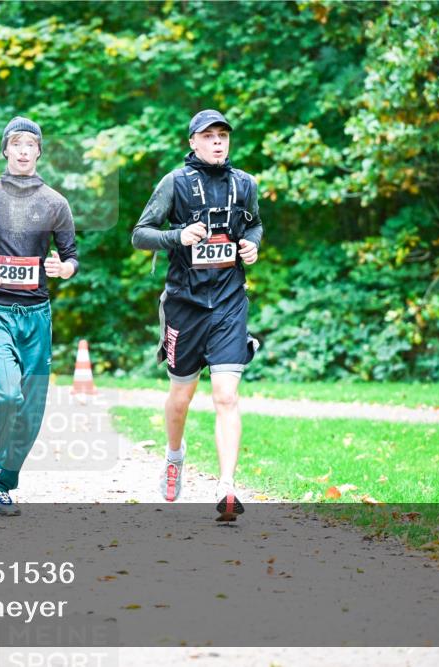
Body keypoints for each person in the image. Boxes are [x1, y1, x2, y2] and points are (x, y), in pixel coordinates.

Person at [131, 109, 263, 520]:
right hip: (184, 306)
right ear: (193, 142)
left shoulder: (245, 184)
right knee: (182, 396)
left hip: (228, 303)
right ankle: (174, 457)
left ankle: (227, 487)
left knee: (226, 395)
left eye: (223, 135)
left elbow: (255, 225)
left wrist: (251, 245)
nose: (218, 142)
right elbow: (140, 234)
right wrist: (177, 236)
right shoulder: (175, 183)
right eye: (209, 136)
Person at [0, 116, 80, 517]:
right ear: (6, 150)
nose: (24, 150)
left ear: (39, 151)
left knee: (32, 407)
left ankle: (5, 483)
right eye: (17, 144)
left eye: (31, 144)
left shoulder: (55, 203)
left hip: (37, 314)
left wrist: (65, 269)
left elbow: (72, 256)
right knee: (7, 394)